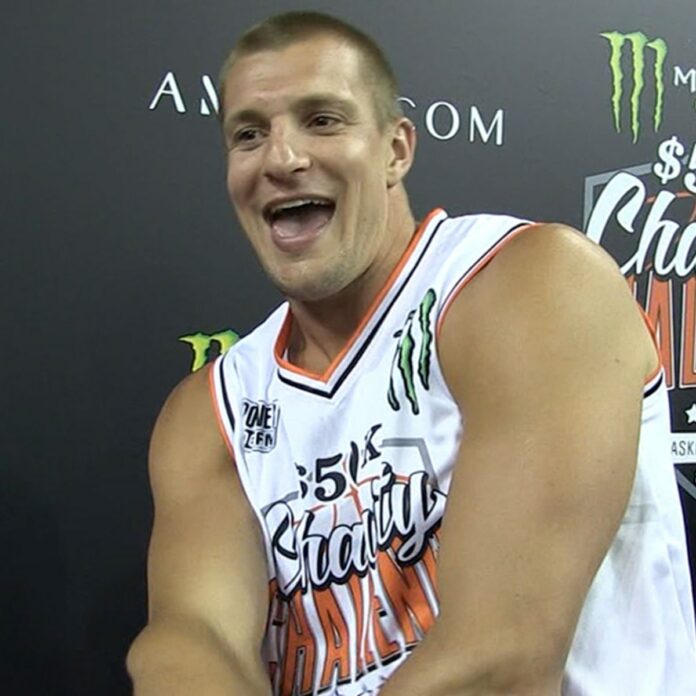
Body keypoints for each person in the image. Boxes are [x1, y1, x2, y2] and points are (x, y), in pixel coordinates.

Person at [126, 11, 696, 696]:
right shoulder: (211, 413)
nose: (281, 158)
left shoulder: (529, 284)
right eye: (249, 134)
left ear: (396, 150)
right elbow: (190, 641)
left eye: (322, 121)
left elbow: (503, 659)